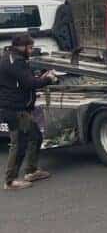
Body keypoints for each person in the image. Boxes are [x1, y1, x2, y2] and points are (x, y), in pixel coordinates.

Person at [0, 34, 57, 190]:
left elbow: (24, 80)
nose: (31, 51)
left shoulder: (10, 57)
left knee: (35, 136)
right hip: (15, 110)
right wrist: (48, 79)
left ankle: (31, 171)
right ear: (21, 46)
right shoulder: (15, 62)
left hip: (19, 109)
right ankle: (10, 181)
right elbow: (30, 83)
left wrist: (40, 77)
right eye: (30, 48)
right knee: (19, 144)